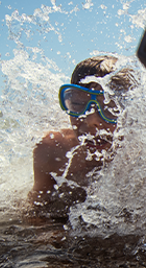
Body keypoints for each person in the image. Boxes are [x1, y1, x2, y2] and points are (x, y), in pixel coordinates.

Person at [29, 55, 135, 218]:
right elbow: (36, 207)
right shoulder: (51, 150)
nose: (90, 121)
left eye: (110, 108)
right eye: (78, 105)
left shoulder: (143, 157)